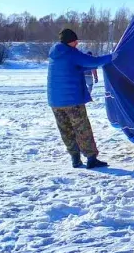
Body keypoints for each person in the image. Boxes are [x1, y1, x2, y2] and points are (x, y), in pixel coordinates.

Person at [48, 29, 113, 169]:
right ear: (68, 41)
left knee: (66, 130)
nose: (77, 43)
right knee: (82, 129)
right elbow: (92, 61)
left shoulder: (55, 54)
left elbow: (76, 68)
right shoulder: (71, 53)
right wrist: (113, 56)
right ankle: (91, 158)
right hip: (72, 100)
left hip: (55, 101)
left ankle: (75, 158)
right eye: (74, 41)